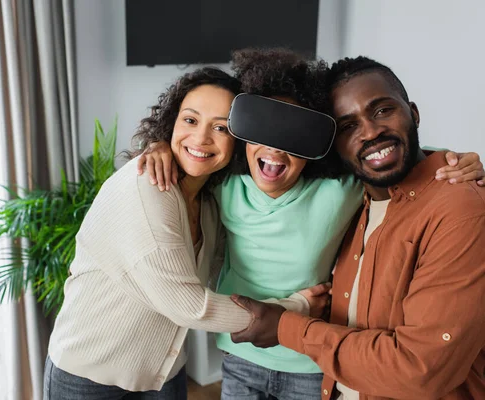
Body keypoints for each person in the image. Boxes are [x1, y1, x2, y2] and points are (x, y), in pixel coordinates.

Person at [136, 49, 485, 400]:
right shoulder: (226, 185)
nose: (274, 148)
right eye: (264, 130)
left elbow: (392, 161)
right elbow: (194, 158)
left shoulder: (339, 190)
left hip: (309, 364)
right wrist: (159, 146)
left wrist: (451, 161)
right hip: (241, 354)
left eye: (292, 136)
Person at [43, 66, 327, 400]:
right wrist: (293, 308)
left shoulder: (209, 200)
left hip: (163, 372)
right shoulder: (146, 188)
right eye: (190, 120)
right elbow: (189, 306)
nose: (202, 138)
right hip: (89, 375)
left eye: (220, 127)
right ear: (172, 123)